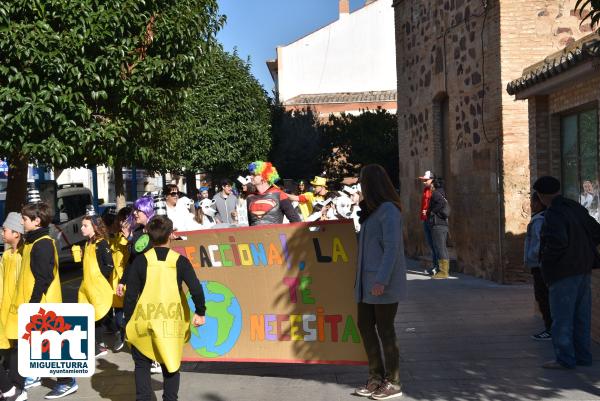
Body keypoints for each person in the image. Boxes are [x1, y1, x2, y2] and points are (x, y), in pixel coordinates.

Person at [124, 215, 206, 401]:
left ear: (148, 237)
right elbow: (195, 288)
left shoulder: (140, 261)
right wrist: (200, 312)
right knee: (171, 364)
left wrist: (128, 322)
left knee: (142, 364)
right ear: (171, 235)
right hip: (171, 321)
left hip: (143, 320)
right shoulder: (180, 261)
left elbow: (130, 296)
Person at [5, 202, 71, 400]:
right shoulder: (33, 242)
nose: (22, 222)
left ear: (37, 220)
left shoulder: (42, 243)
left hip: (41, 304)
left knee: (48, 345)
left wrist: (33, 304)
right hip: (32, 303)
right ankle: (17, 387)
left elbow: (44, 277)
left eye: (25, 219)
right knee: (27, 345)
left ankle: (66, 381)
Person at [534, 176, 600, 369]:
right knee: (581, 316)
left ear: (541, 195)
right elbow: (596, 231)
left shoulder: (554, 213)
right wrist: (583, 250)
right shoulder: (575, 207)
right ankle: (583, 356)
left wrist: (546, 264)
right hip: (583, 269)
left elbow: (557, 243)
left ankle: (565, 359)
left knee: (562, 317)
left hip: (563, 272)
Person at [354, 164, 406, 400]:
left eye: (362, 182)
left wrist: (381, 280)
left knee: (385, 330)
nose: (360, 187)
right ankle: (375, 377)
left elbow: (392, 248)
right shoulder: (372, 211)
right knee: (364, 325)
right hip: (365, 283)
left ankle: (393, 381)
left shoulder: (389, 211)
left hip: (380, 283)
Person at [77, 207, 114, 358]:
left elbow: (109, 265)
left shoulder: (101, 243)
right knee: (92, 317)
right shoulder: (87, 244)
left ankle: (99, 346)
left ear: (94, 226)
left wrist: (99, 279)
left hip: (98, 288)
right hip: (87, 288)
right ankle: (99, 344)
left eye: (85, 225)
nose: (81, 228)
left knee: (97, 317)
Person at [0, 213, 24, 401]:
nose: (2, 232)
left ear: (16, 233)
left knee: (17, 349)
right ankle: (11, 386)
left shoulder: (23, 255)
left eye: (5, 230)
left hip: (18, 309)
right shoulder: (7, 255)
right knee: (8, 348)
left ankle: (15, 387)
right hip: (6, 309)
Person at [524, 191, 552, 341]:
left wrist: (533, 257)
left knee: (543, 297)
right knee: (542, 296)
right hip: (539, 263)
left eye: (533, 202)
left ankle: (550, 328)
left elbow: (538, 243)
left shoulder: (539, 220)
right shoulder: (539, 218)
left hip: (540, 264)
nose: (531, 205)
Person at [246, 161, 301, 226]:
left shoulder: (279, 194)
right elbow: (251, 224)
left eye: (254, 175)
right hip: (256, 235)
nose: (251, 177)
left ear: (263, 176)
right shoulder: (250, 198)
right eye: (251, 174)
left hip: (275, 235)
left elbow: (295, 220)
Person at [108, 206, 132, 352]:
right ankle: (121, 333)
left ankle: (128, 335)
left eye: (126, 220)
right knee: (118, 315)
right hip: (116, 281)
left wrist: (128, 238)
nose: (123, 223)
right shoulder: (115, 237)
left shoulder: (134, 238)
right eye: (121, 219)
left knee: (130, 312)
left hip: (129, 279)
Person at [427, 177, 450, 279]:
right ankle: (444, 270)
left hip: (437, 225)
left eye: (432, 184)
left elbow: (442, 203)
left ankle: (443, 272)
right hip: (443, 224)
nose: (430, 186)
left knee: (440, 247)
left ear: (434, 185)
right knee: (443, 248)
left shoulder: (436, 193)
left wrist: (432, 211)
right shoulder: (442, 192)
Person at [418, 171, 438, 275]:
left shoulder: (436, 191)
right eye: (424, 180)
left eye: (426, 180)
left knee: (436, 244)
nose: (424, 182)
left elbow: (439, 205)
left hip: (433, 220)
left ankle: (438, 267)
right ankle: (435, 266)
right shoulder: (426, 189)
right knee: (431, 244)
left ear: (432, 180)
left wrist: (430, 212)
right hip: (426, 219)